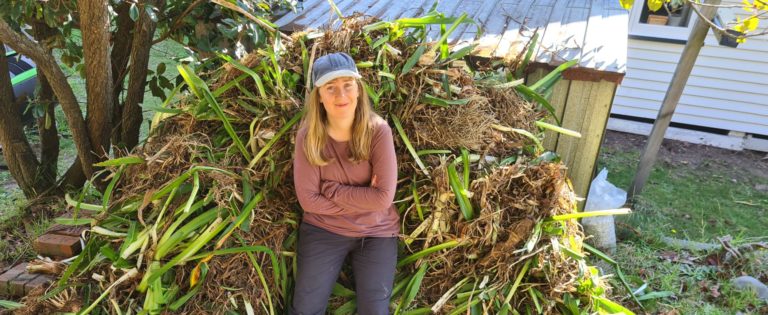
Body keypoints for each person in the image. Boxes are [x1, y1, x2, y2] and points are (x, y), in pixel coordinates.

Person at [290, 52, 400, 315]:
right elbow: (308, 201)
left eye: (347, 85)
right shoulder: (308, 136)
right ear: (319, 96)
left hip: (377, 232)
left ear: (358, 89)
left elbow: (383, 199)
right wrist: (365, 200)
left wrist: (332, 191)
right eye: (331, 88)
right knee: (304, 310)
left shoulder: (378, 131)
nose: (341, 95)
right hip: (324, 231)